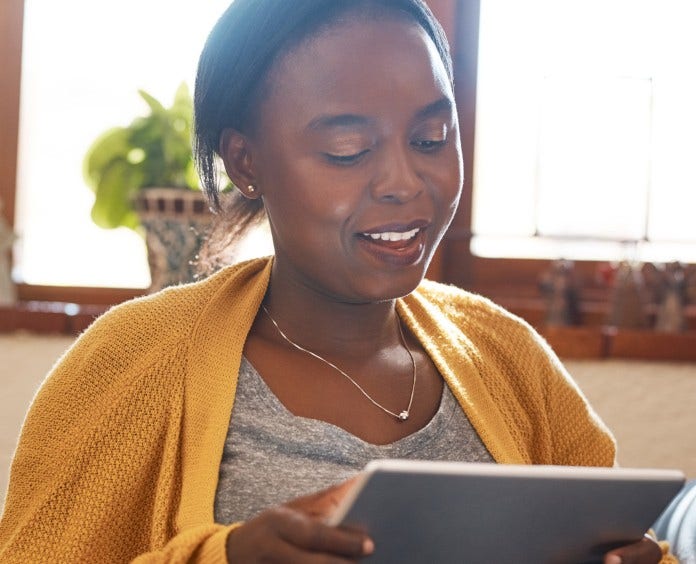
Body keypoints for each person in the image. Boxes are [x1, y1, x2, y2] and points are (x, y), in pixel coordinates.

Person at [0, 1, 675, 562]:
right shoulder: (132, 360)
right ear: (246, 161)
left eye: (433, 137)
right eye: (347, 151)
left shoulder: (509, 357)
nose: (406, 183)